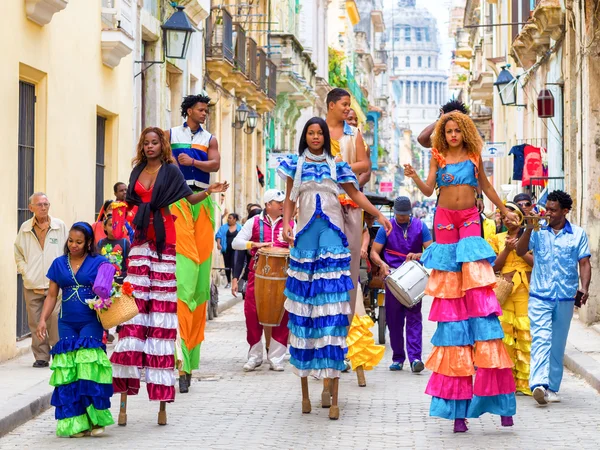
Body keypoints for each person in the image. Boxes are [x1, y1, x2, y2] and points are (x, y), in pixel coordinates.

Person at [404, 111, 519, 433]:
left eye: (457, 130)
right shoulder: (437, 156)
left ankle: (497, 402)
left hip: (469, 218)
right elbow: (428, 191)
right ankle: (458, 412)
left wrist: (505, 210)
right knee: (452, 295)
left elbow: (488, 188)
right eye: (449, 130)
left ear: (465, 131)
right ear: (443, 133)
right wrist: (414, 176)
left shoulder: (474, 156)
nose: (453, 135)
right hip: (443, 220)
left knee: (478, 290)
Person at [110, 127, 228, 424]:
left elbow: (189, 200)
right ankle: (123, 401)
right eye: (146, 143)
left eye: (154, 142)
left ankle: (162, 404)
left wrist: (209, 192)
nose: (150, 146)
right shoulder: (136, 171)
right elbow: (132, 204)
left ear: (162, 146)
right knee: (134, 312)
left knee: (161, 314)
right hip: (139, 240)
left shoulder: (172, 172)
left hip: (164, 241)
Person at [279, 117, 392, 420]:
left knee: (331, 306)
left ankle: (332, 383)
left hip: (331, 235)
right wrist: (287, 225)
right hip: (304, 235)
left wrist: (378, 215)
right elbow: (290, 199)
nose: (315, 137)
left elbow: (355, 195)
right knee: (305, 307)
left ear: (325, 138)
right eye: (311, 133)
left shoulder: (337, 165)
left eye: (319, 133)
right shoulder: (296, 164)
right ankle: (307, 387)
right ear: (305, 136)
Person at [36, 222, 115, 437]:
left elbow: (108, 290)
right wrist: (43, 320)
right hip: (66, 322)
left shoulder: (99, 262)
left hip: (91, 321)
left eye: (79, 242)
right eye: (70, 241)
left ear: (88, 242)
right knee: (69, 371)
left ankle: (96, 420)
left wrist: (105, 294)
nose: (73, 245)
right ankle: (76, 422)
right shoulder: (59, 264)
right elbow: (52, 295)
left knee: (88, 368)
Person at [516, 190, 591, 405]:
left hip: (566, 297)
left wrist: (584, 288)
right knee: (541, 338)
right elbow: (521, 251)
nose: (547, 212)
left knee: (557, 344)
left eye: (553, 210)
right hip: (540, 296)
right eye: (546, 208)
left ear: (565, 211)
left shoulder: (578, 234)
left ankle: (552, 387)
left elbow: (584, 262)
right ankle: (538, 384)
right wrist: (529, 228)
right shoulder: (538, 231)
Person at [167, 94, 221, 394]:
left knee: (199, 287)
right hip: (177, 203)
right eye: (201, 110)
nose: (204, 114)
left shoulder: (209, 138)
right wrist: (177, 161)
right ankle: (179, 360)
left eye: (206, 110)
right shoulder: (171, 134)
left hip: (201, 203)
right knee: (183, 284)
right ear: (189, 110)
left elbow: (215, 163)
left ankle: (188, 356)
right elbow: (161, 161)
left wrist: (194, 161)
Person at [370, 196, 433, 373]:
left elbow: (431, 250)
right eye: (399, 215)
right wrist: (382, 264)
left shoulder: (421, 226)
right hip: (393, 277)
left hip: (413, 277)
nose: (402, 218)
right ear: (395, 212)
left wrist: (418, 255)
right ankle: (398, 358)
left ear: (410, 213)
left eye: (405, 215)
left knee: (414, 318)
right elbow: (374, 252)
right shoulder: (386, 227)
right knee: (394, 320)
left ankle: (415, 359)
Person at [231, 190, 291, 372]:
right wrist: (253, 245)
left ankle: (276, 357)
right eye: (277, 202)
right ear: (268, 205)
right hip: (256, 275)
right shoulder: (254, 222)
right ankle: (255, 356)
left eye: (282, 202)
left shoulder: (290, 223)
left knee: (283, 314)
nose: (281, 205)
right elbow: (236, 243)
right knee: (252, 313)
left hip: (283, 276)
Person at [14, 192, 67, 368]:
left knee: (54, 319)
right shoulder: (25, 228)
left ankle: (57, 352)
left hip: (55, 282)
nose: (43, 207)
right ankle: (41, 357)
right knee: (35, 321)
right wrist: (25, 271)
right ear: (31, 208)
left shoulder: (59, 226)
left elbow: (67, 250)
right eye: (39, 205)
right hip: (32, 282)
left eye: (46, 204)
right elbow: (18, 252)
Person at [488, 202, 533, 396]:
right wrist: (506, 249)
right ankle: (507, 382)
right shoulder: (496, 238)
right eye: (504, 215)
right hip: (505, 290)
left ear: (521, 217)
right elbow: (493, 266)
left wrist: (519, 249)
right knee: (505, 334)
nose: (507, 219)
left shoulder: (530, 236)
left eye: (512, 215)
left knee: (525, 332)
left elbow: (536, 262)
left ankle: (525, 381)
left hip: (525, 288)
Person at [97, 214, 130, 285]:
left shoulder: (125, 242)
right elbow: (97, 263)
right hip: (104, 282)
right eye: (111, 225)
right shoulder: (100, 243)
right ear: (105, 227)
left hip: (121, 282)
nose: (114, 227)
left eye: (117, 225)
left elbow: (129, 264)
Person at [215, 213, 241, 288]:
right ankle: (229, 282)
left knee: (234, 265)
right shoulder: (223, 227)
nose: (228, 219)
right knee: (227, 265)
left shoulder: (239, 228)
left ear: (235, 219)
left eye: (230, 218)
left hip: (236, 249)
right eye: (228, 218)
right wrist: (218, 244)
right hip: (226, 249)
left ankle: (234, 281)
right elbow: (218, 235)